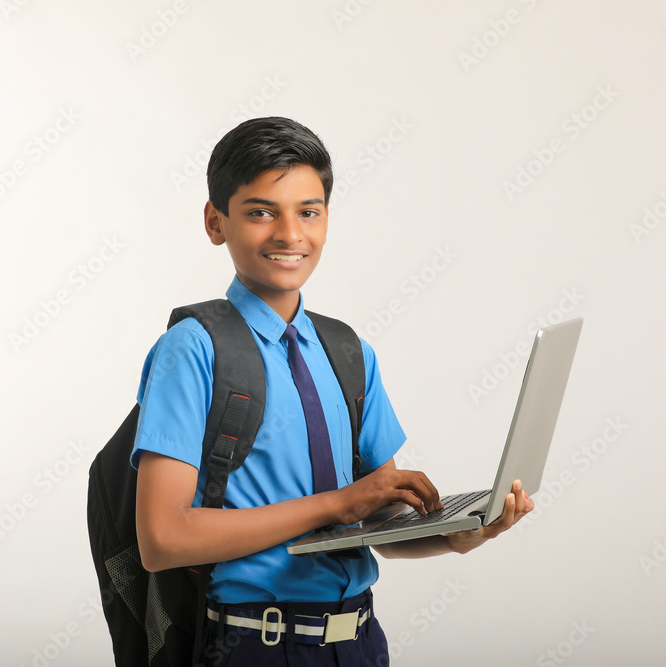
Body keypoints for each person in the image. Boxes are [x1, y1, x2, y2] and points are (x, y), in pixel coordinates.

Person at [131, 116, 535, 666]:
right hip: (255, 646)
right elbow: (163, 538)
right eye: (260, 212)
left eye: (308, 212)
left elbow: (379, 525)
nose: (289, 234)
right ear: (215, 221)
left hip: (361, 642)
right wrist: (339, 503)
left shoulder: (348, 351)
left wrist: (458, 535)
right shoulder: (193, 350)